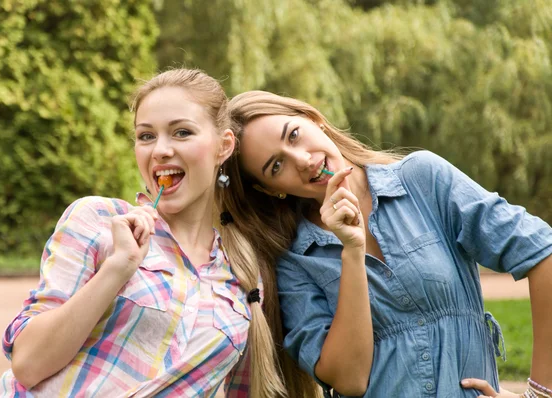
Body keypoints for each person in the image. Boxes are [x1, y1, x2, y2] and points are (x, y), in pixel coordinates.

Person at [217, 90, 552, 398]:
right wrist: (351, 251)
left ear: (314, 120)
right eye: (276, 166)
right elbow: (349, 379)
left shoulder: (423, 181)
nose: (301, 160)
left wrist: (539, 393)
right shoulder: (294, 262)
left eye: (293, 135)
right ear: (270, 189)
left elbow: (543, 253)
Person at [0, 70, 286, 398]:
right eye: (146, 136)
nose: (160, 150)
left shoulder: (244, 275)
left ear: (224, 146)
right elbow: (29, 363)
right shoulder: (98, 219)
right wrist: (118, 268)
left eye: (182, 132)